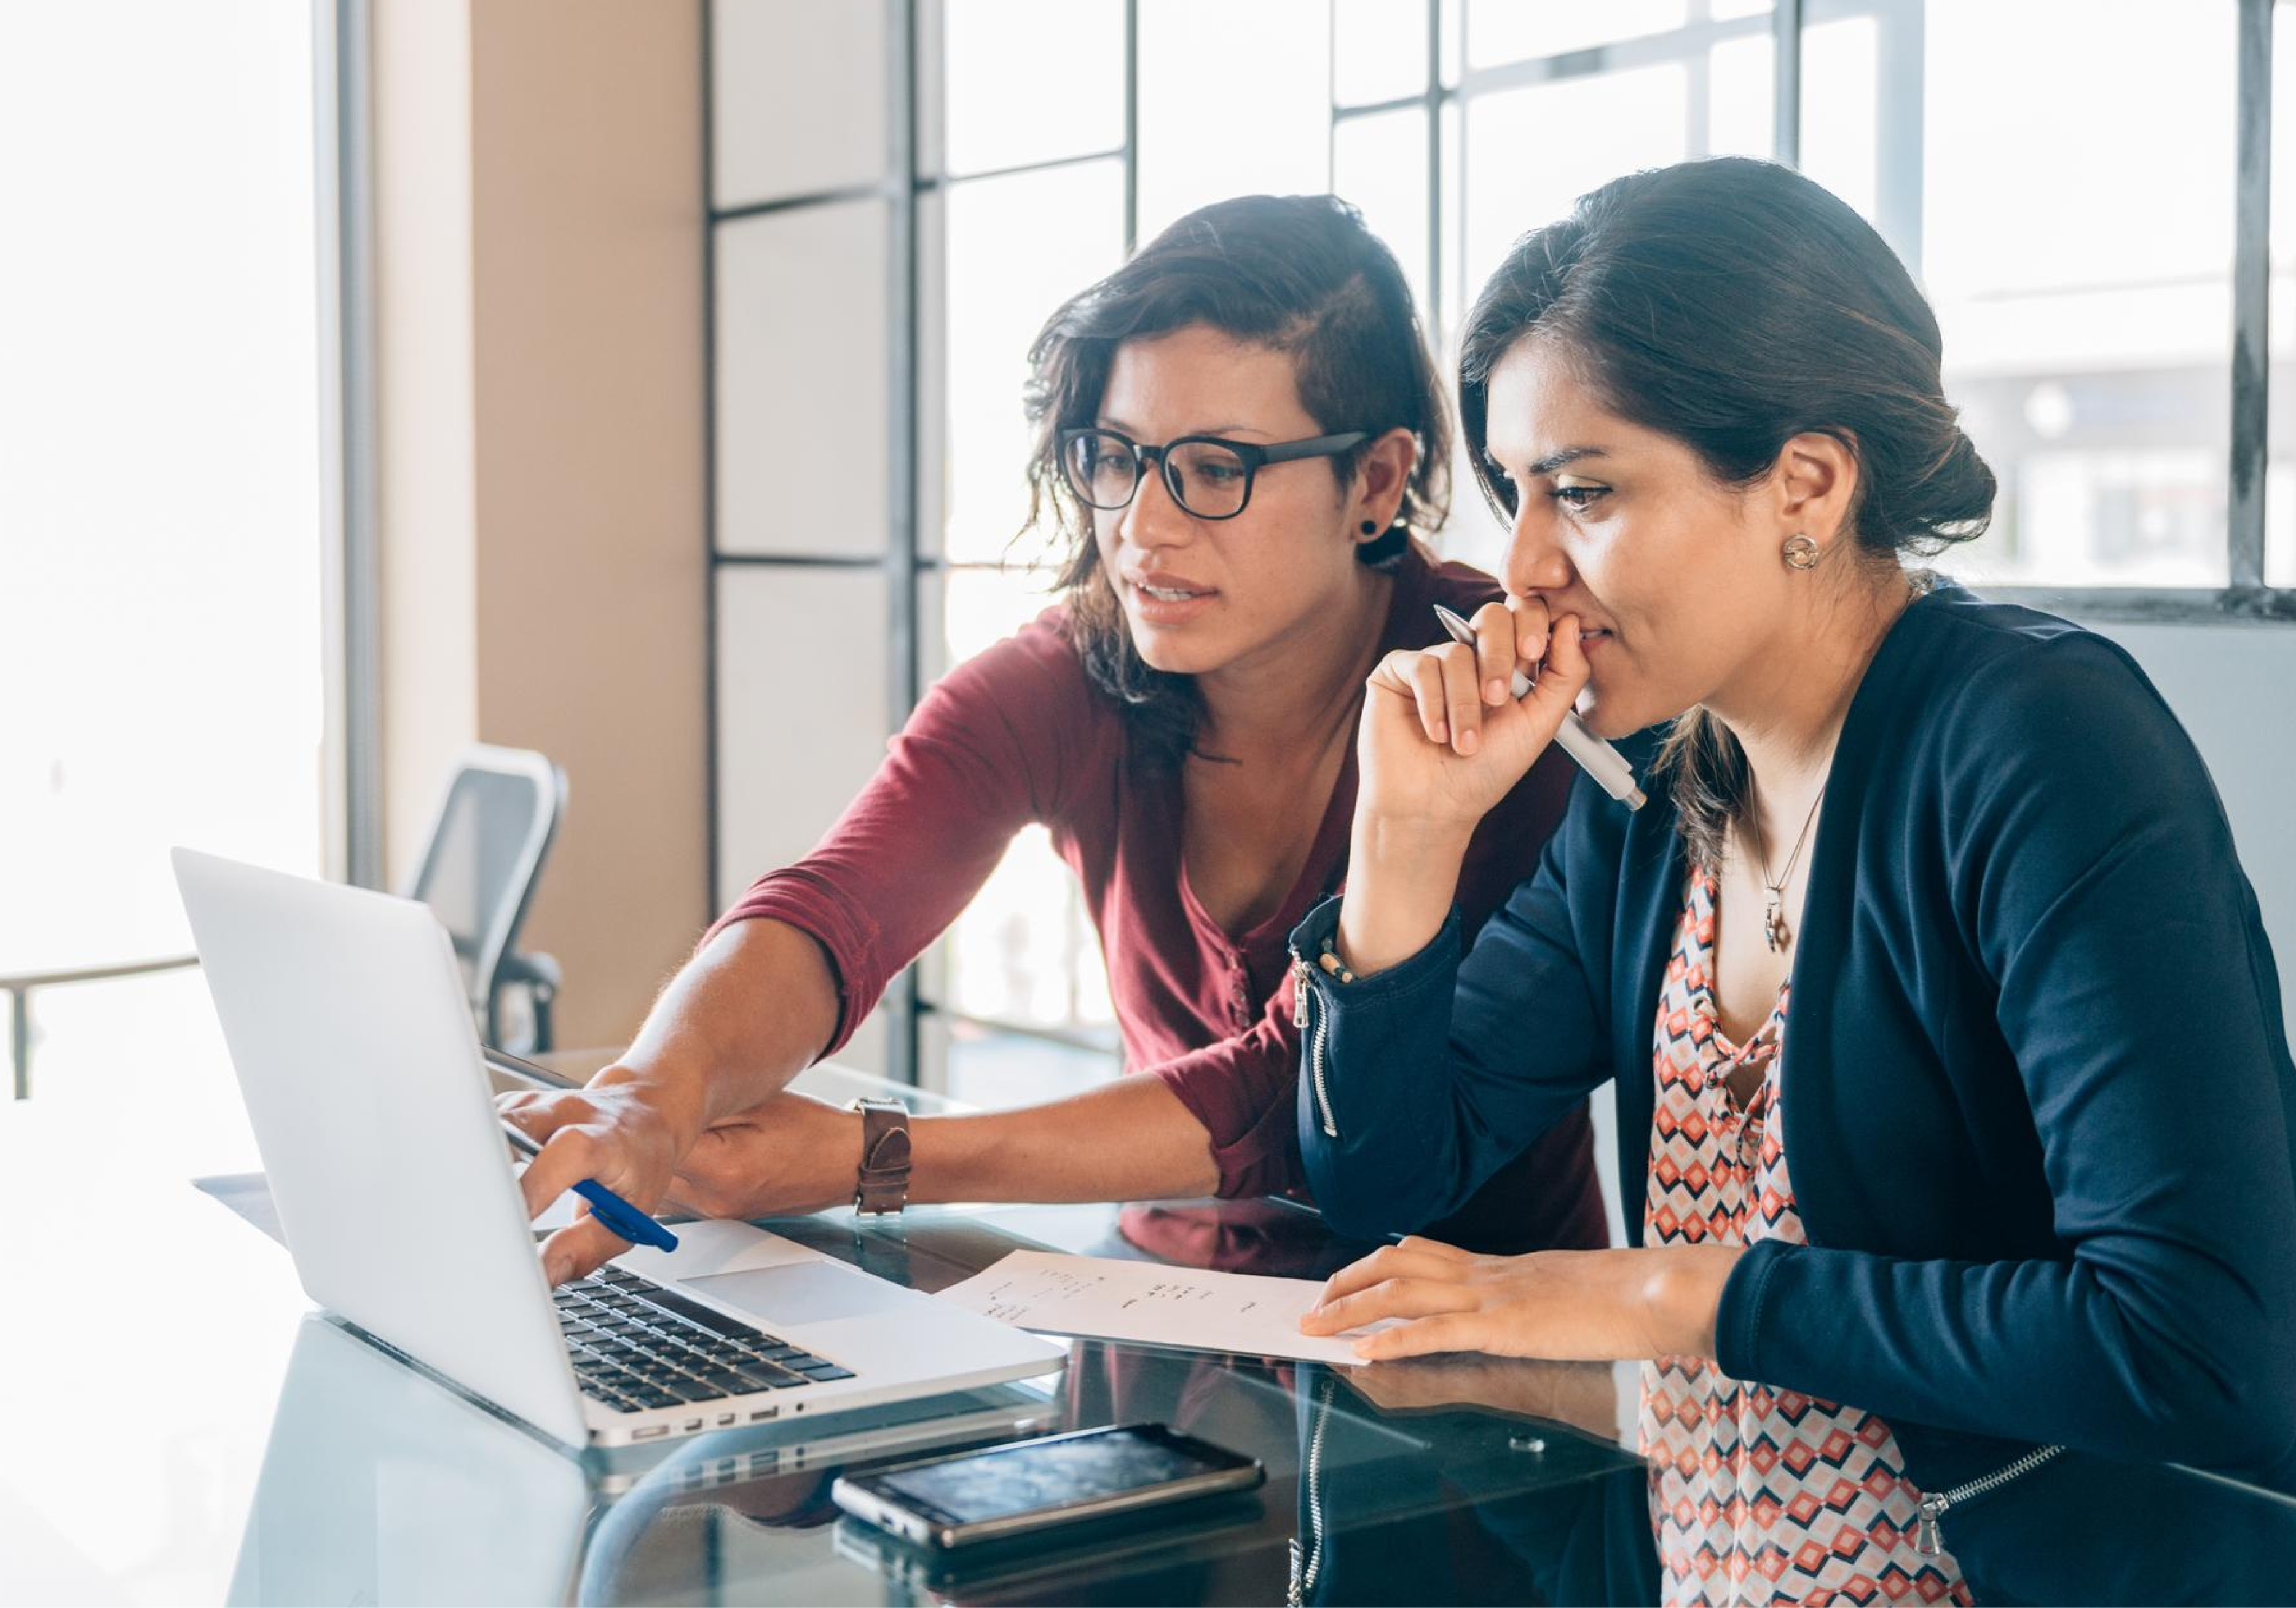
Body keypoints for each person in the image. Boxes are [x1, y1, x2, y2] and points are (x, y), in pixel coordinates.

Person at [1282, 158, 2296, 1600]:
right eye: (1514, 496)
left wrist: (1667, 1290)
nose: (1521, 567)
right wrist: (1401, 845)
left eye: (1582, 492)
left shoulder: (2037, 742)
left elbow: (2193, 1348)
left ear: (1807, 482)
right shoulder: (1660, 789)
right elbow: (1380, 1177)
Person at [502, 194, 1604, 1287]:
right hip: (1156, 1297)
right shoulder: (1081, 667)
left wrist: (869, 1155)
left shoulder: (1498, 698)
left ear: (1374, 481)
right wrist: (653, 1091)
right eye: (1117, 456)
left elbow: (1286, 1098)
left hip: (1468, 1360)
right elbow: (837, 903)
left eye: (1216, 469)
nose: (1142, 527)